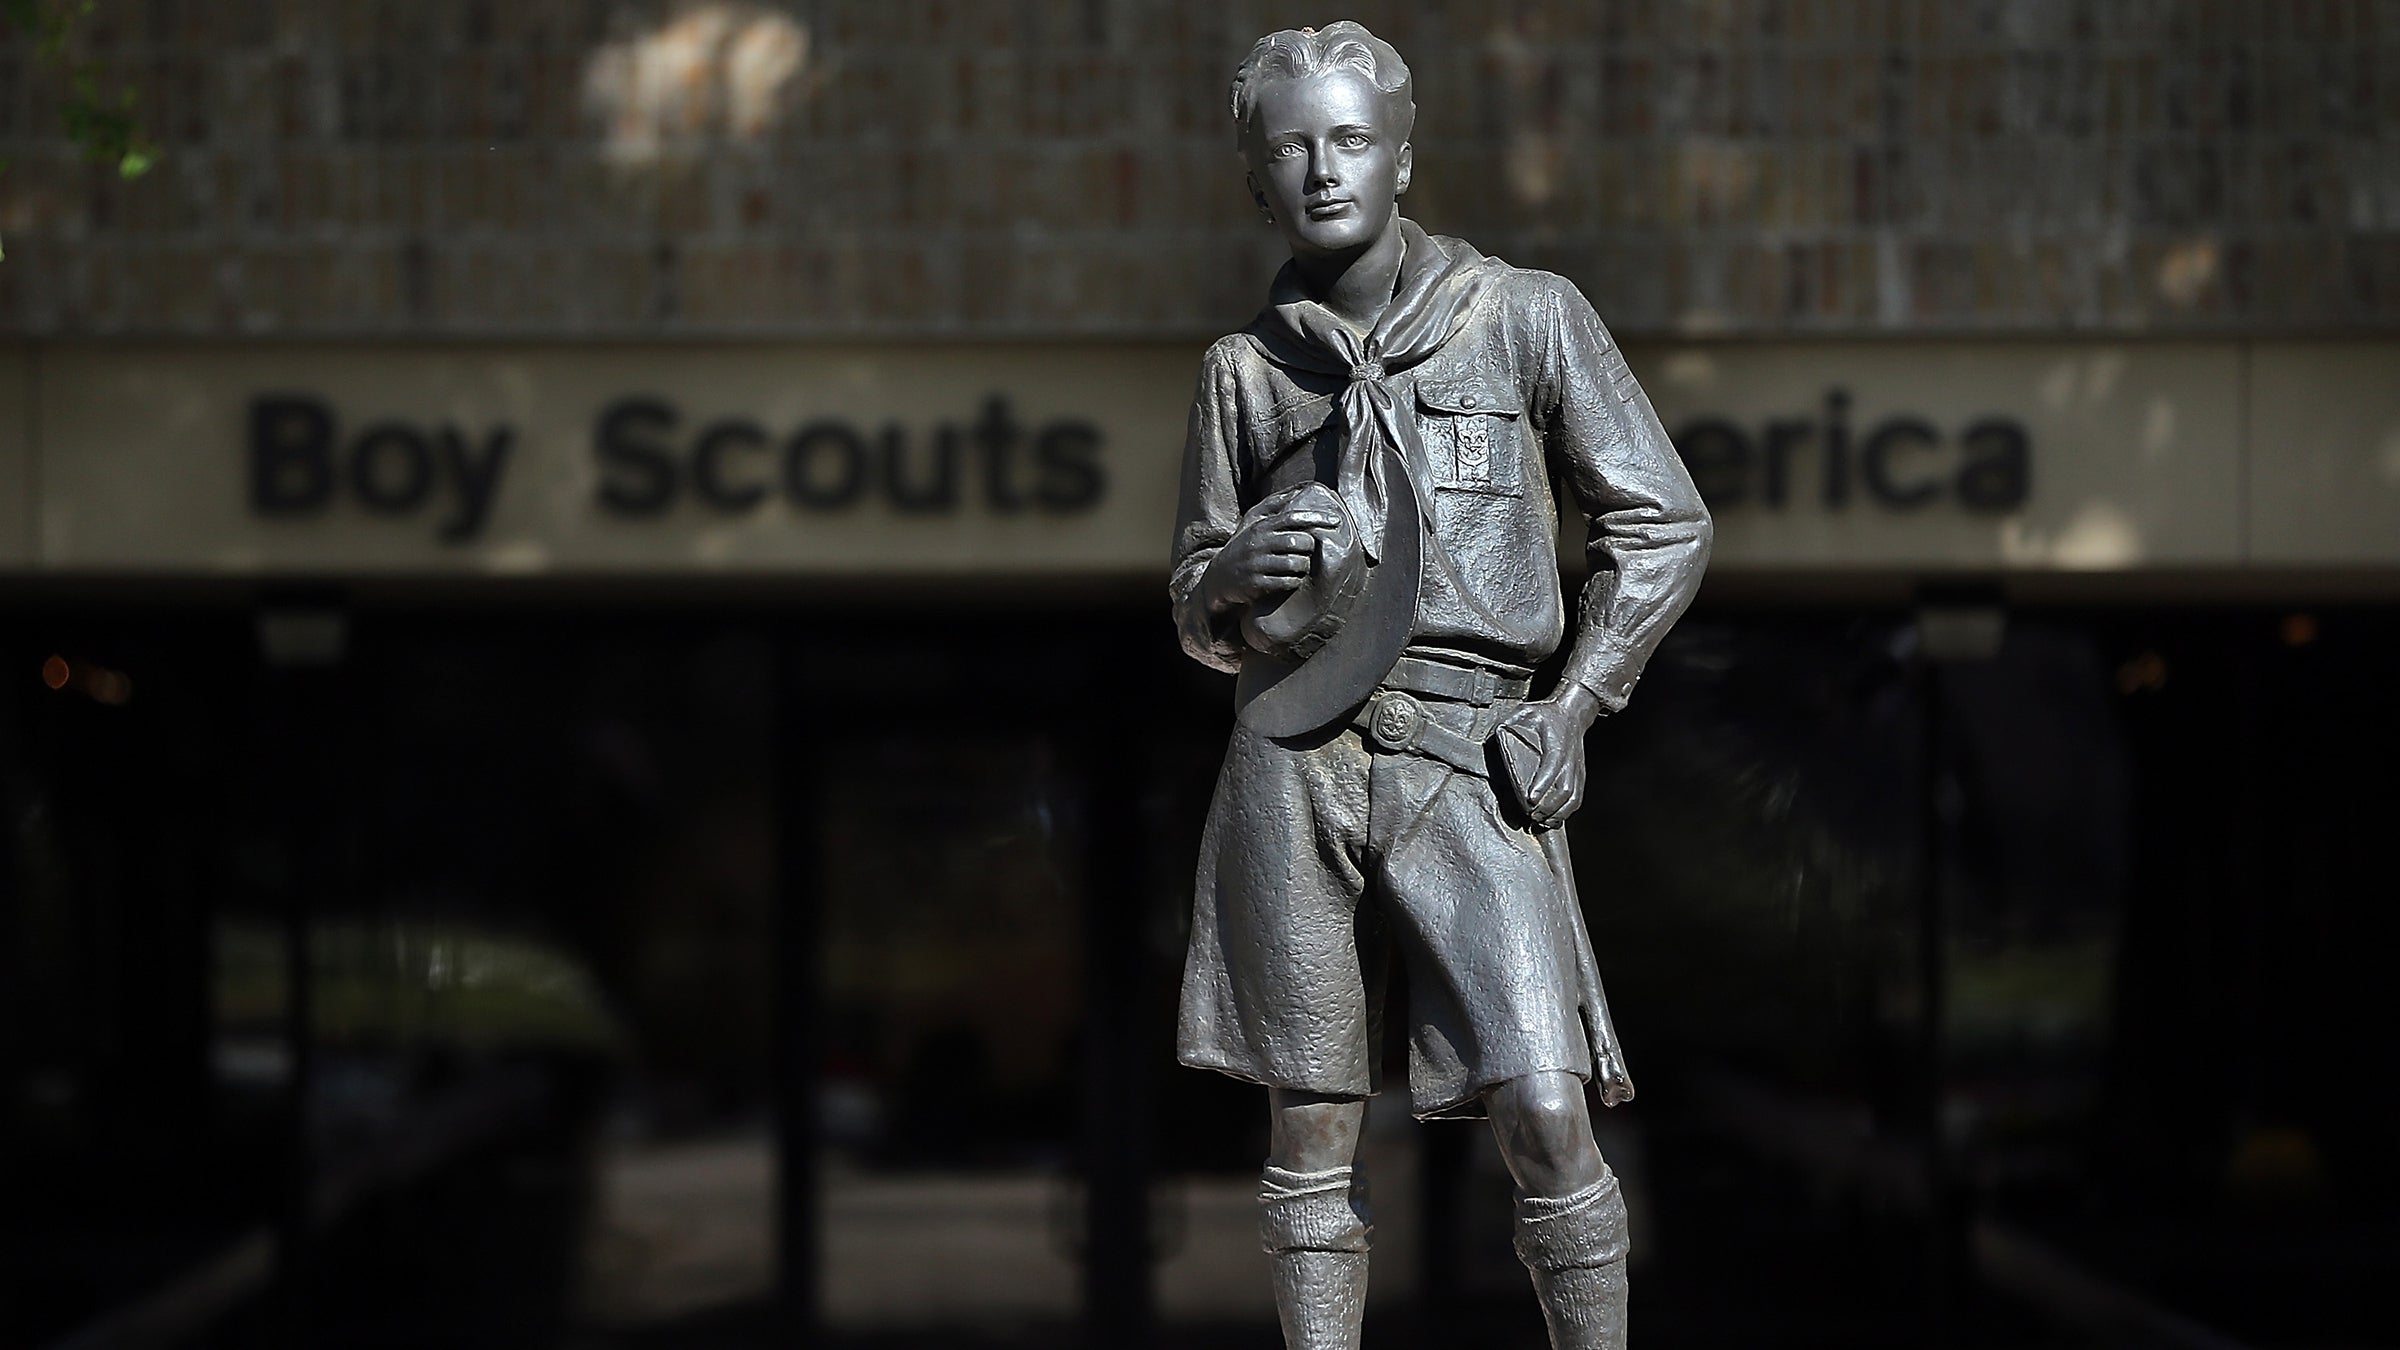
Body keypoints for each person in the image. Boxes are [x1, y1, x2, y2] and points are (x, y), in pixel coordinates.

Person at [1167, 22, 1712, 1350]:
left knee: (1546, 1105)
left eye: (1351, 139)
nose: (1323, 170)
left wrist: (1574, 703)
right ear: (1254, 179)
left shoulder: (1523, 316)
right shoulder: (1244, 373)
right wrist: (1227, 572)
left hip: (1471, 750)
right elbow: (1192, 604)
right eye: (1290, 148)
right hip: (1294, 753)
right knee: (1311, 1119)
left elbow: (1663, 523)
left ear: (1403, 159)